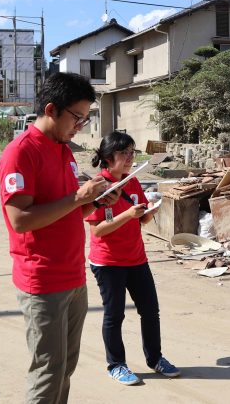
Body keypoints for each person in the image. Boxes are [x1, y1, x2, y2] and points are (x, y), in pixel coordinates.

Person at [0, 72, 119, 404]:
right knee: (47, 372)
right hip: (42, 281)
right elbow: (20, 221)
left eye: (85, 118)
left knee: (64, 368)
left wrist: (92, 202)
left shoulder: (62, 149)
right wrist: (79, 198)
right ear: (51, 109)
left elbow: (66, 211)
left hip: (72, 277)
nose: (79, 126)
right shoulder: (21, 152)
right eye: (77, 118)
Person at [86, 131, 180, 386]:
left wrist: (149, 210)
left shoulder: (132, 181)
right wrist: (128, 214)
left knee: (150, 312)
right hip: (108, 263)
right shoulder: (99, 186)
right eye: (123, 153)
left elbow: (141, 219)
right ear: (107, 157)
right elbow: (99, 230)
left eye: (132, 152)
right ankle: (116, 365)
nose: (129, 158)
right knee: (114, 315)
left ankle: (155, 359)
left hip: (136, 258)